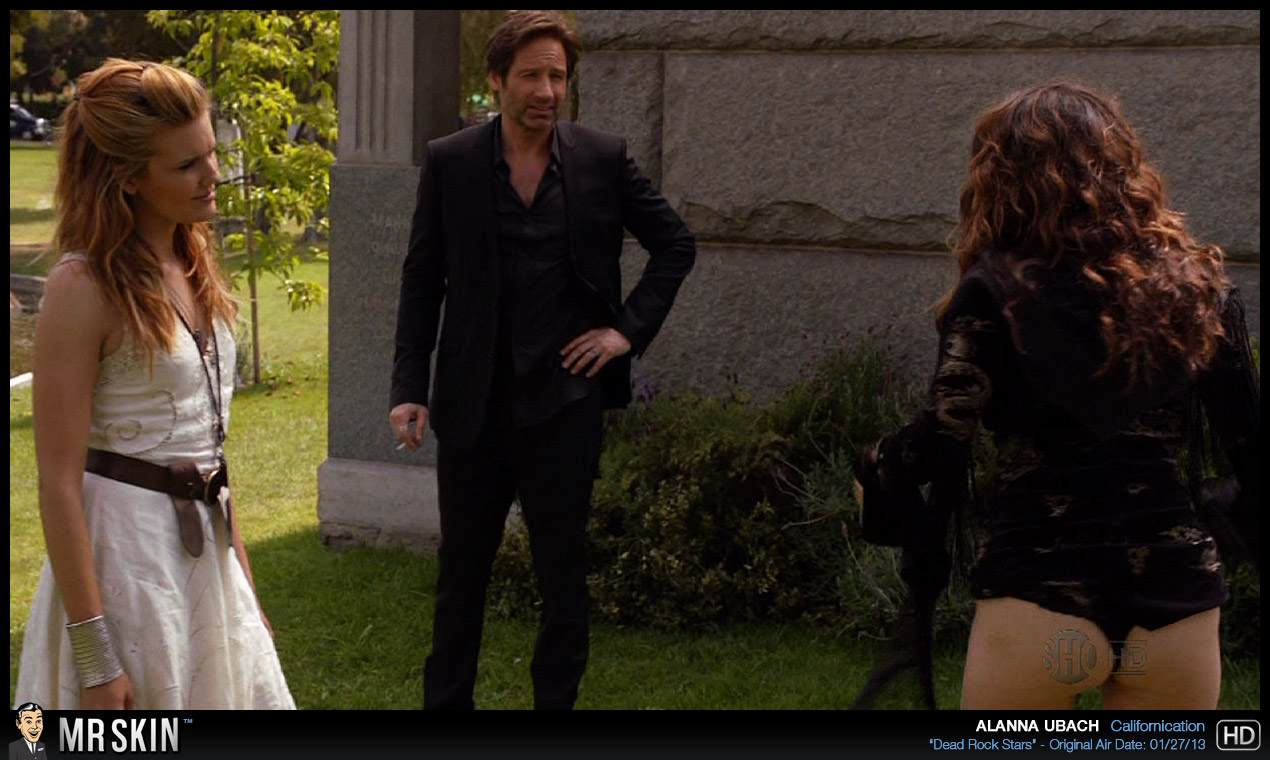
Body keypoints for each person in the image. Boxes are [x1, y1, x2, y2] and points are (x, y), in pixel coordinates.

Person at [854, 82, 1258, 709]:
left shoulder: (994, 294)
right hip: (1175, 593)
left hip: (1041, 589)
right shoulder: (1195, 291)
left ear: (1001, 179)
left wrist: (875, 468)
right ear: (1123, 169)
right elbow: (1250, 448)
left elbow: (938, 439)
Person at [390, 11, 696, 709]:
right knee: (461, 576)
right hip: (474, 405)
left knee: (562, 576)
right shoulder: (452, 162)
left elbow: (675, 244)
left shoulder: (601, 160)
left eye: (557, 76)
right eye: (531, 75)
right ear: (497, 80)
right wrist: (409, 386)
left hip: (566, 404)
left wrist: (623, 333)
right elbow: (422, 278)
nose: (547, 91)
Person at [14, 59, 294, 709]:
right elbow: (58, 483)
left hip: (206, 559)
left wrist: (244, 592)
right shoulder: (82, 286)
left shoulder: (192, 260)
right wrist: (96, 659)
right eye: (188, 164)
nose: (213, 174)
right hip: (128, 567)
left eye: (211, 153)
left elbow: (211, 453)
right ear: (129, 179)